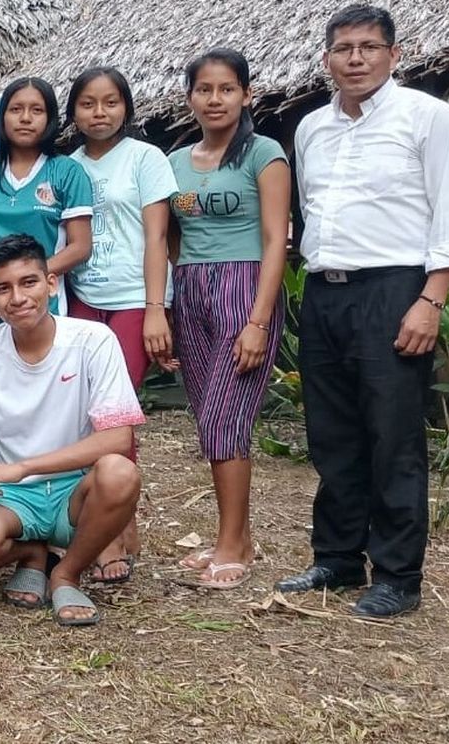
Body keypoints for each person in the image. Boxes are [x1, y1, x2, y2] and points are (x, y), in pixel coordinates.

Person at [276, 5, 449, 619]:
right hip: (325, 292)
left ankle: (397, 575)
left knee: (393, 436)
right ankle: (337, 557)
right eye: (343, 48)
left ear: (395, 54)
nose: (356, 58)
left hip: (395, 289)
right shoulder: (312, 128)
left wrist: (430, 299)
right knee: (332, 433)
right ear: (327, 58)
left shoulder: (430, 119)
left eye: (368, 47)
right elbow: (312, 212)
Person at [0, 234, 145, 627]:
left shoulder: (92, 340)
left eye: (28, 282)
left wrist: (24, 466)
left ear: (50, 283)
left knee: (119, 472)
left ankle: (67, 573)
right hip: (11, 496)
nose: (17, 298)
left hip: (75, 490)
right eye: (2, 288)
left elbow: (119, 438)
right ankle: (33, 553)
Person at [166, 49, 289, 589]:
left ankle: (231, 545)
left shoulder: (264, 154)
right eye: (204, 90)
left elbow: (276, 239)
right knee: (209, 417)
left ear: (246, 94)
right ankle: (237, 537)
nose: (215, 99)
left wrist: (259, 320)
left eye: (227, 89)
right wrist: (175, 295)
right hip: (190, 289)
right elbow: (170, 237)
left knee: (224, 418)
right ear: (190, 97)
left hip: (245, 287)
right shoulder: (174, 163)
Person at [64, 66, 178, 584]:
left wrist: (155, 308)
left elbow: (157, 238)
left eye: (110, 102)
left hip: (133, 299)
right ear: (73, 112)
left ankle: (115, 529)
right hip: (82, 297)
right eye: (87, 103)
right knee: (84, 412)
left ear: (127, 108)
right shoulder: (67, 167)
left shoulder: (146, 158)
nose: (99, 113)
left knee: (114, 414)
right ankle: (103, 518)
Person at [0, 75, 93, 342]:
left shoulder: (67, 172)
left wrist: (25, 279)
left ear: (50, 118)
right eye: (16, 109)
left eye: (36, 110)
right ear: (2, 116)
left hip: (41, 307)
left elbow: (81, 247)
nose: (25, 118)